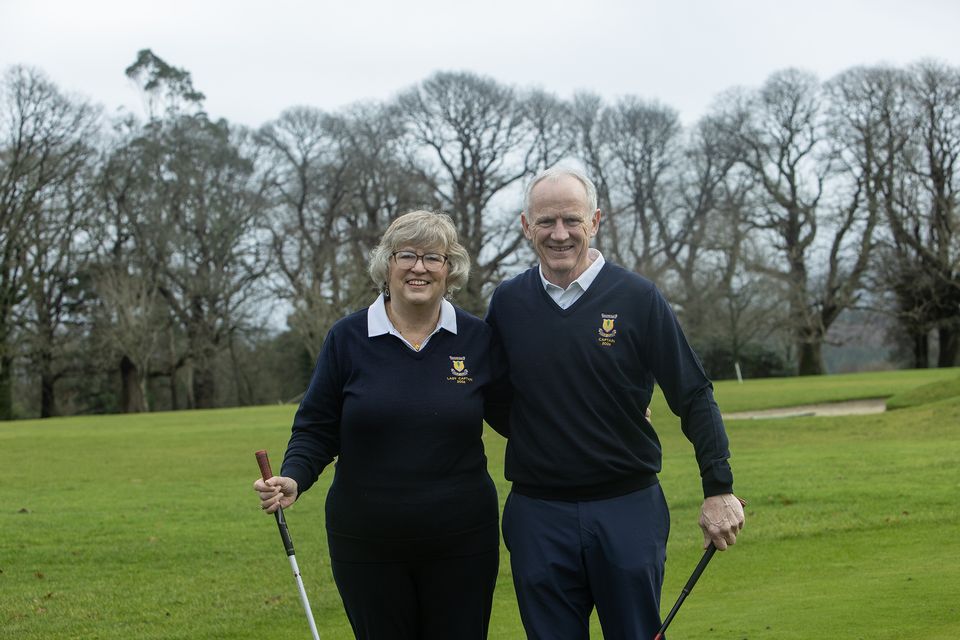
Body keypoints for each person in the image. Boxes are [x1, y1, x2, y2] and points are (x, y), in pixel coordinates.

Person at [484, 166, 746, 639]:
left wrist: (719, 486)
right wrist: (555, 427)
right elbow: (493, 397)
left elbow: (692, 392)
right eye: (545, 222)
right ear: (526, 226)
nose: (559, 234)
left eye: (571, 220)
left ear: (595, 221)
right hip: (537, 513)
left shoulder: (638, 297)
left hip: (627, 508)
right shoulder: (507, 301)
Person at [254, 210, 509, 640]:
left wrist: (610, 417)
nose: (419, 267)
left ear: (450, 269)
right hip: (366, 544)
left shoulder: (477, 338)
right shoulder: (347, 338)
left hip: (463, 542)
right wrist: (294, 477)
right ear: (386, 264)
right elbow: (316, 426)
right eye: (406, 255)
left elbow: (520, 417)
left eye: (434, 257)